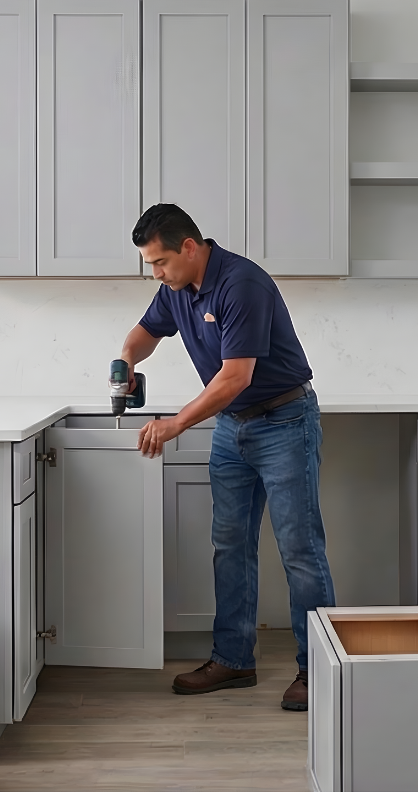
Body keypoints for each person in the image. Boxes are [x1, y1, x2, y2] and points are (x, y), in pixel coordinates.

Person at [117, 203, 336, 711]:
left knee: (299, 549)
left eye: (160, 262)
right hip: (232, 428)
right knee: (229, 544)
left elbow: (235, 376)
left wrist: (175, 424)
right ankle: (234, 659)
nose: (156, 273)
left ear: (189, 248)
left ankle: (319, 670)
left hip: (284, 421)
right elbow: (142, 334)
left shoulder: (242, 284)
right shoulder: (177, 288)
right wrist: (126, 359)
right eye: (151, 265)